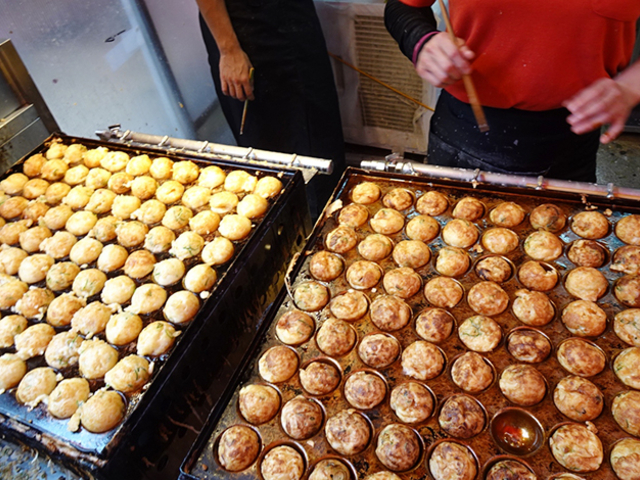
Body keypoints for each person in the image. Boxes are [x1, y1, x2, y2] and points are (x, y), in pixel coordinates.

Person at [385, 0, 640, 182]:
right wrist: (421, 40)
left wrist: (631, 85)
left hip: (574, 133)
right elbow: (402, 6)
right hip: (466, 129)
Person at [197, 0, 346, 218]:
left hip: (295, 19)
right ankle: (287, 236)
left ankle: (329, 227)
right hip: (247, 36)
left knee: (323, 142)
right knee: (271, 157)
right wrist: (229, 50)